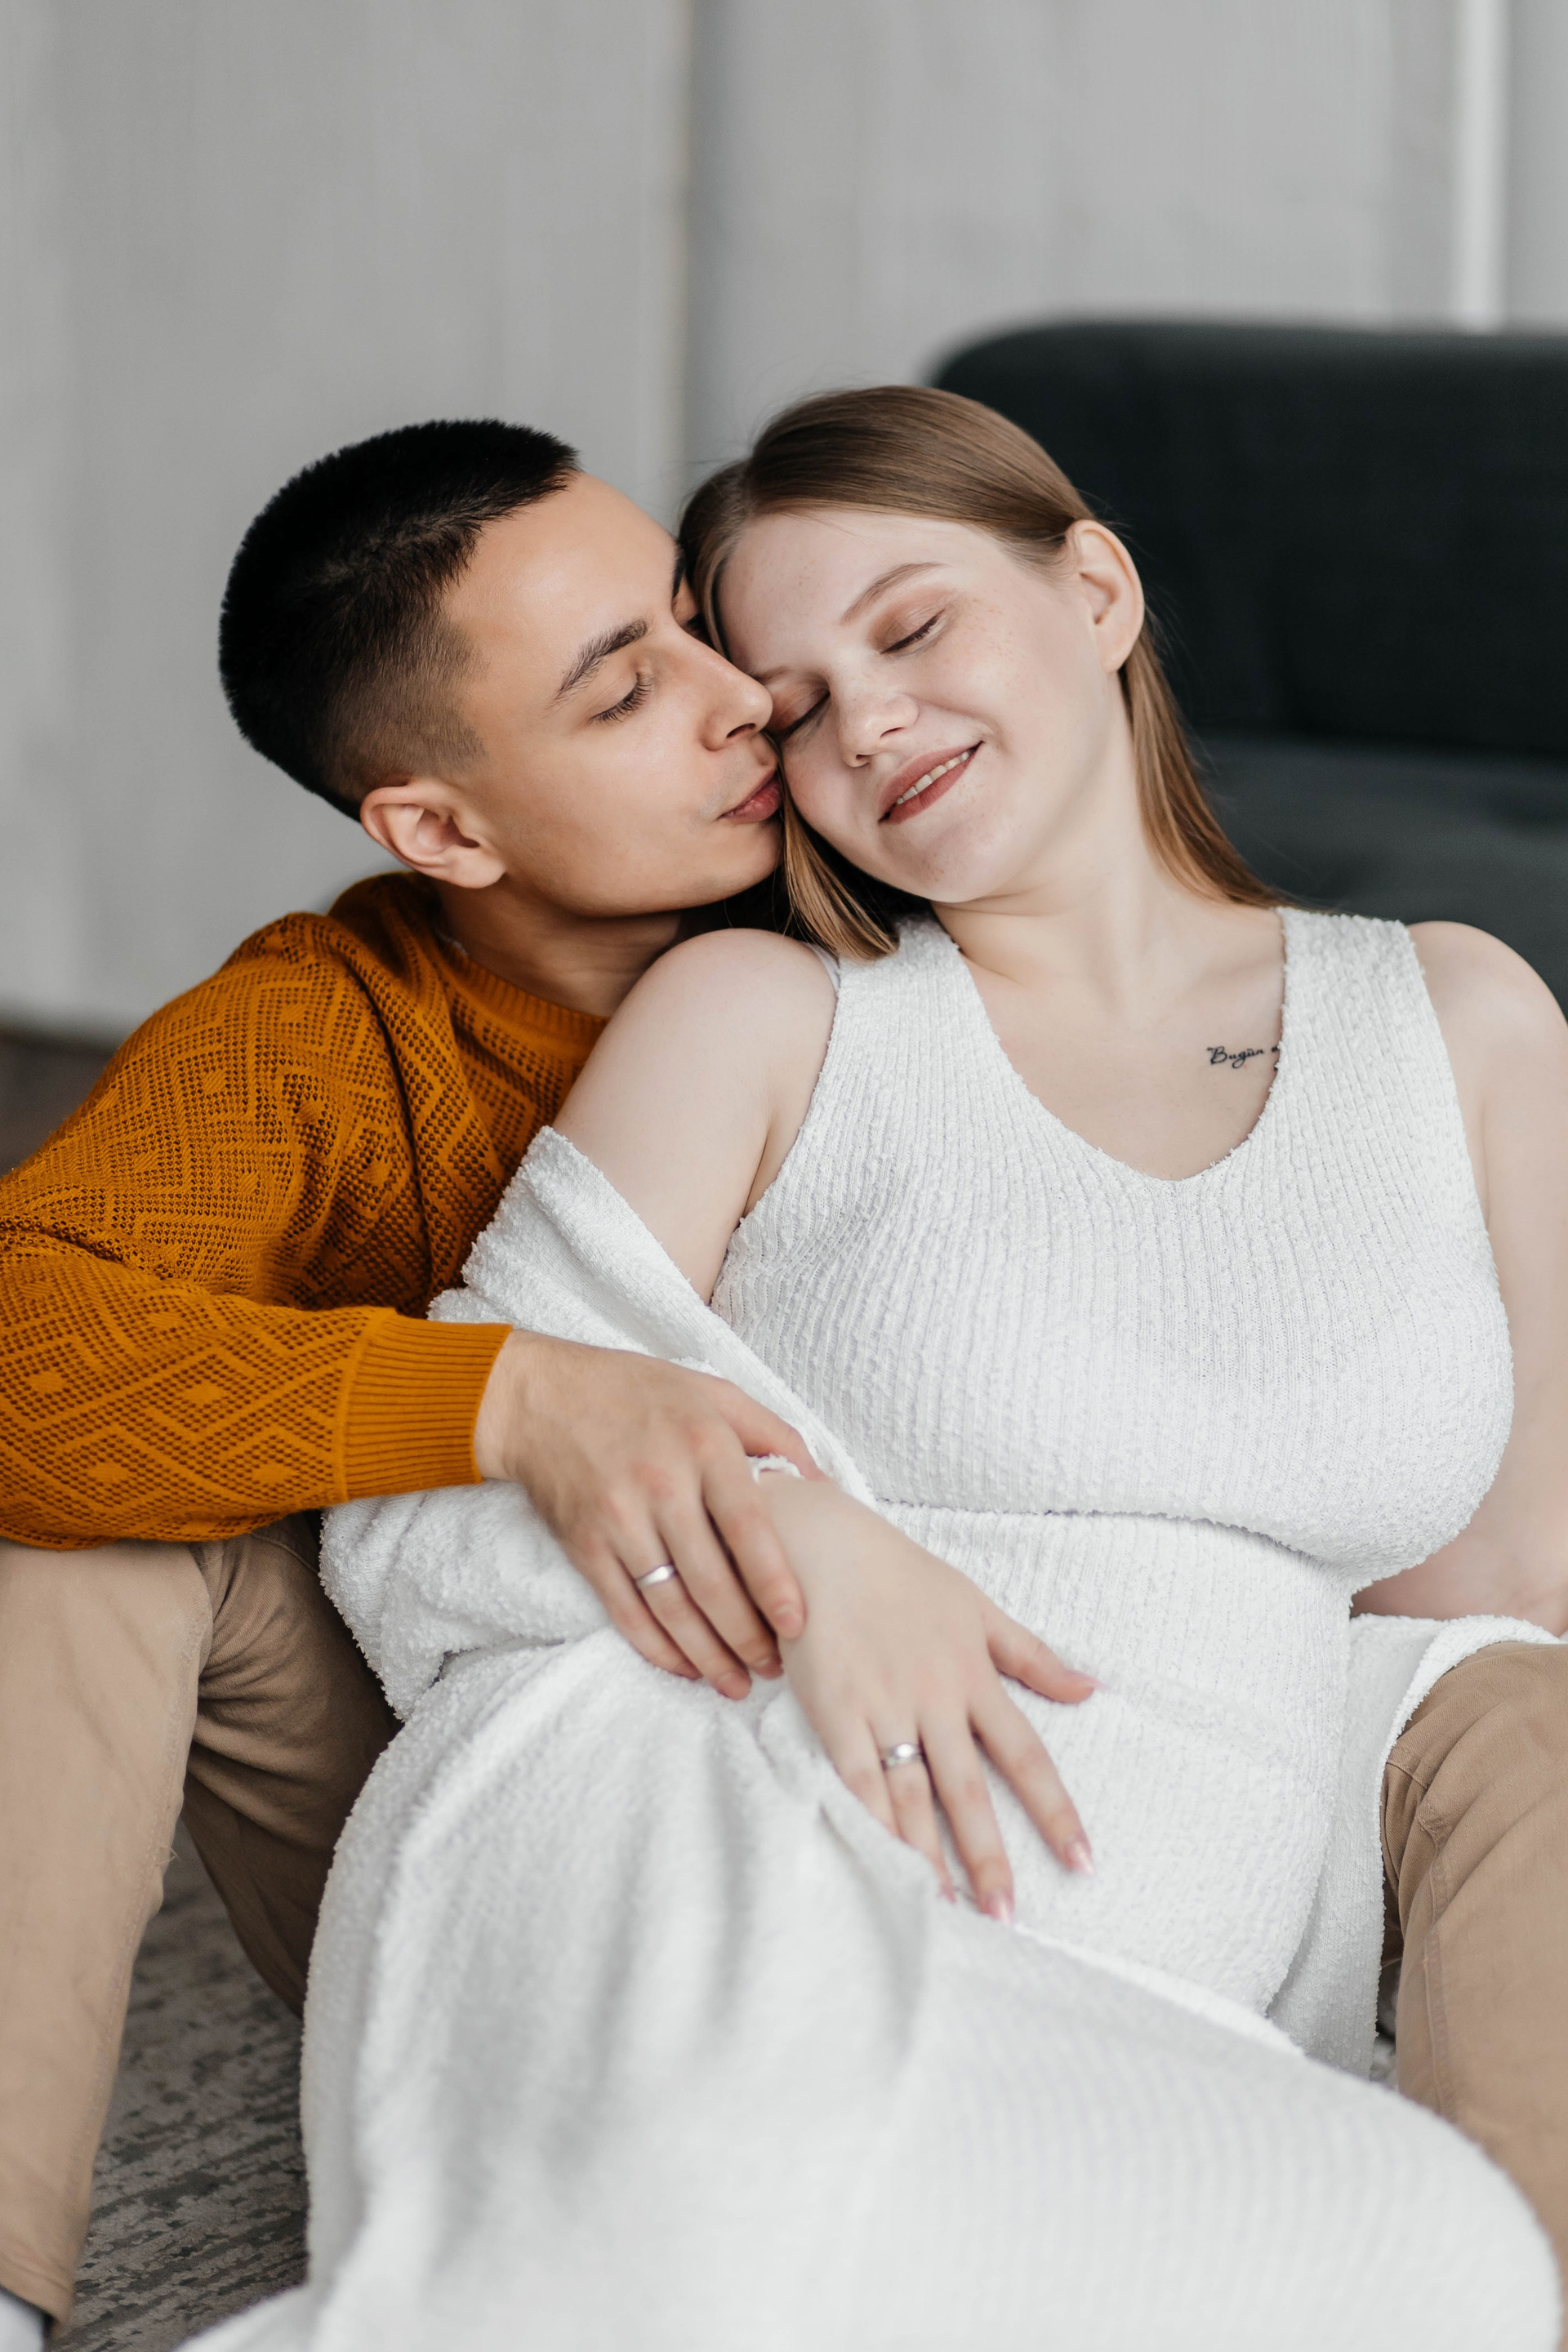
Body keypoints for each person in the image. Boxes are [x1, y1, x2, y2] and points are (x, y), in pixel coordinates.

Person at [0, 407, 1562, 2350]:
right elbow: (187, 1429)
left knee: (1425, 2247)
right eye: (650, 688)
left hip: (1087, 1916)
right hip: (647, 1774)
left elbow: (1469, 1615)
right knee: (86, 1522)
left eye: (708, 631)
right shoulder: (582, 1021)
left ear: (1099, 591)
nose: (775, 714)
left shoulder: (1394, 1006)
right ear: (447, 828)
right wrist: (611, 1441)